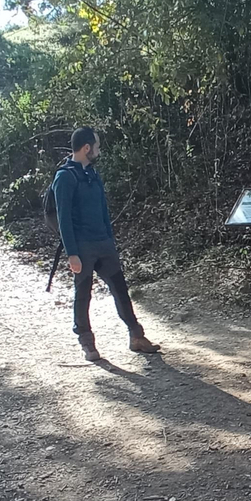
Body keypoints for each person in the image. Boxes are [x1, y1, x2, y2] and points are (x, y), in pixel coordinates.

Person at [53, 126, 160, 360]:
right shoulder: (64, 177)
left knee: (120, 290)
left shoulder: (93, 174)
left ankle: (136, 336)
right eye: (97, 146)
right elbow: (63, 219)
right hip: (82, 247)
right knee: (83, 294)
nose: (99, 151)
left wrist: (110, 240)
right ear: (87, 147)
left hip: (104, 244)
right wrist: (72, 253)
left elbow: (103, 211)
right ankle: (87, 343)